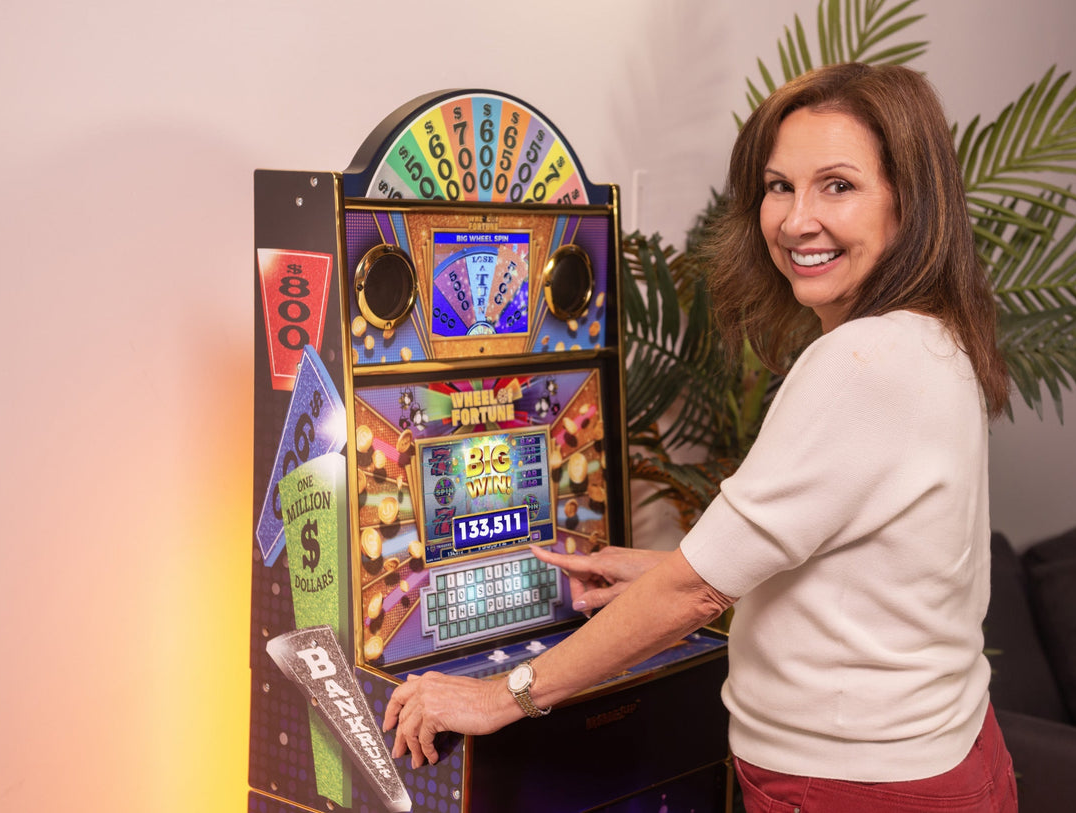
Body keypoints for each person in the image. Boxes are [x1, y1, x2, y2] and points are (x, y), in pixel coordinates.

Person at [383, 62, 1016, 812]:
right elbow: (856, 571)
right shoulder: (930, 338)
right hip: (940, 756)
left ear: (908, 202)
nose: (794, 220)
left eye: (837, 185)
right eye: (779, 186)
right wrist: (653, 570)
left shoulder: (864, 358)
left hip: (858, 784)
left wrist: (500, 694)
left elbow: (695, 590)